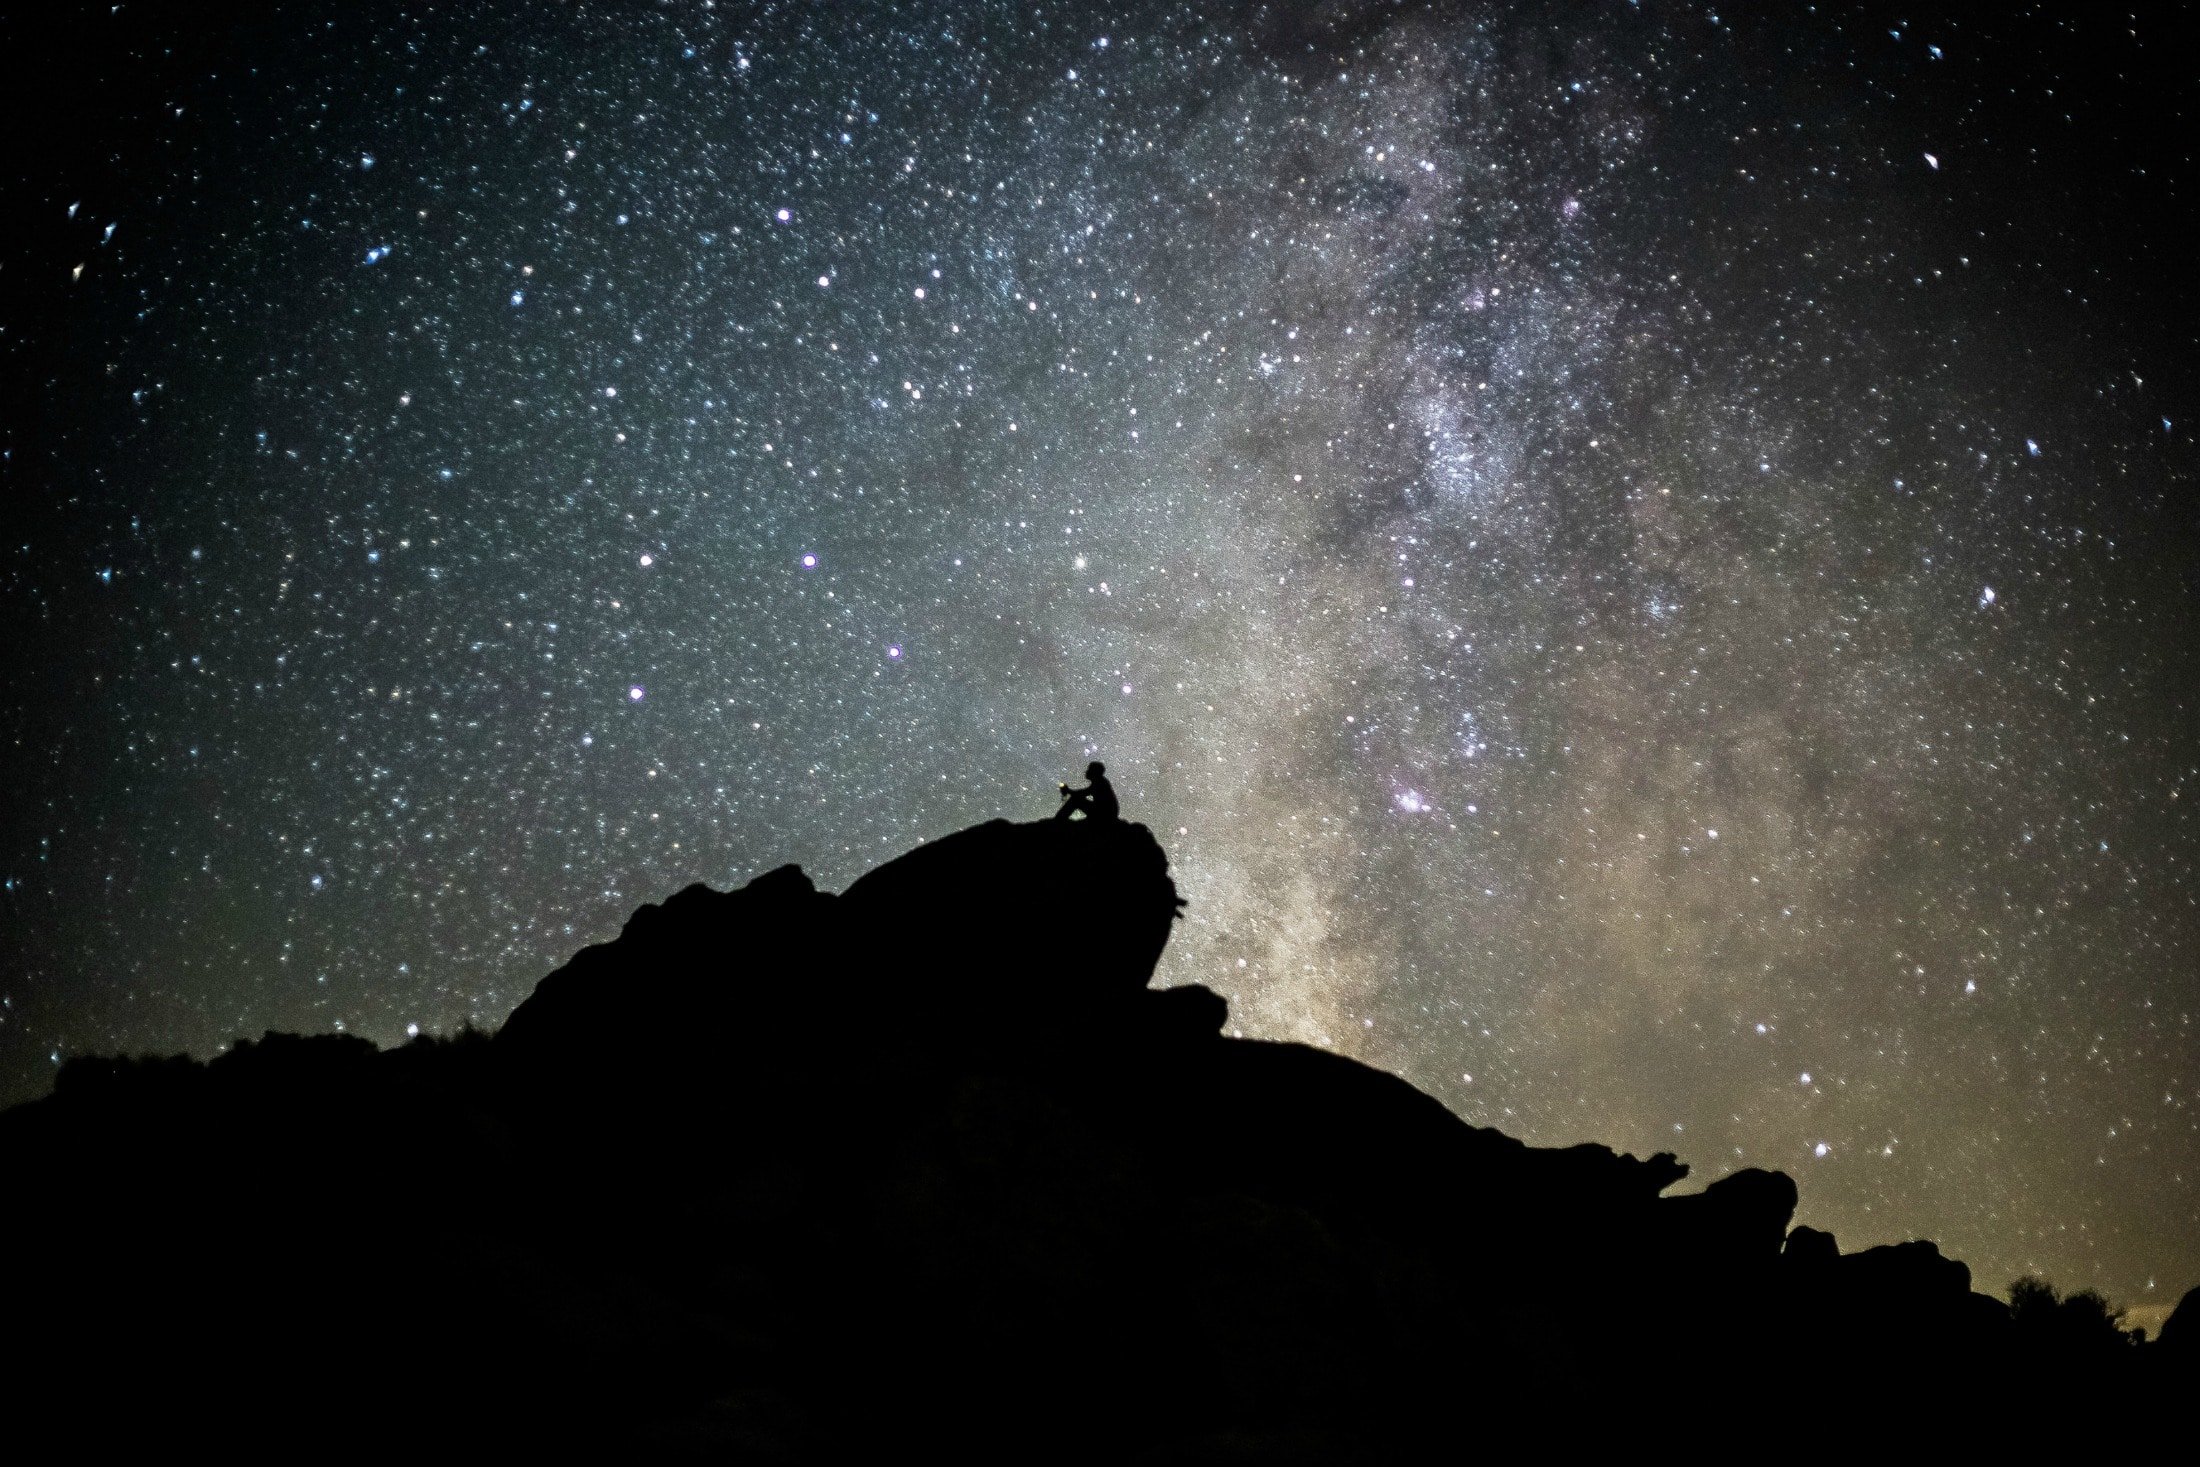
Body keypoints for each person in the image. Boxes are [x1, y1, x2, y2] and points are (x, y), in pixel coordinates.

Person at [1054, 761, 1119, 822]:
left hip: (1105, 814)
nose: (1086, 771)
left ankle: (1058, 820)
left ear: (1094, 772)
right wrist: (1069, 791)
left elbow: (1082, 793)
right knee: (1076, 799)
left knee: (1075, 800)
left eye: (1089, 769)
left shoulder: (1100, 782)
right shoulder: (1101, 781)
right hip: (1106, 812)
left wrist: (1068, 791)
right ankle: (1059, 819)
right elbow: (1083, 792)